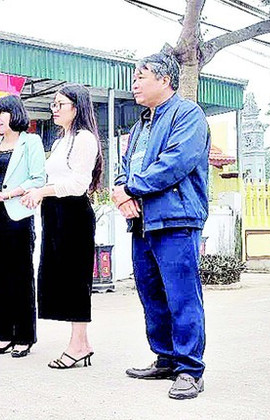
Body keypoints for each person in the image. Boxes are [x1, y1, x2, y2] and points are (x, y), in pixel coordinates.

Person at [112, 52, 210, 400]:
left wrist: (130, 188)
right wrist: (122, 191)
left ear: (165, 79)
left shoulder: (188, 115)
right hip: (142, 221)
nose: (134, 82)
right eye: (134, 77)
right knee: (151, 294)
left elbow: (176, 162)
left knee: (181, 296)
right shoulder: (140, 125)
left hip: (177, 218)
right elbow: (125, 167)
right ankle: (166, 358)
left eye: (141, 76)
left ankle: (189, 369)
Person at [21, 84, 103, 369]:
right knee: (58, 277)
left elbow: (79, 184)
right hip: (55, 213)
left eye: (60, 104)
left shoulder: (84, 138)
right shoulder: (59, 142)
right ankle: (82, 342)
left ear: (76, 108)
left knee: (75, 279)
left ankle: (78, 344)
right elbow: (50, 180)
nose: (54, 109)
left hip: (74, 214)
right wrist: (32, 192)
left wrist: (42, 192)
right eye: (53, 105)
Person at [0, 95, 45, 358]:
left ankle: (24, 336)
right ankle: (3, 335)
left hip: (17, 215)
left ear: (14, 114)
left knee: (20, 276)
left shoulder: (31, 142)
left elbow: (38, 177)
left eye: (0, 114)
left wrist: (7, 194)